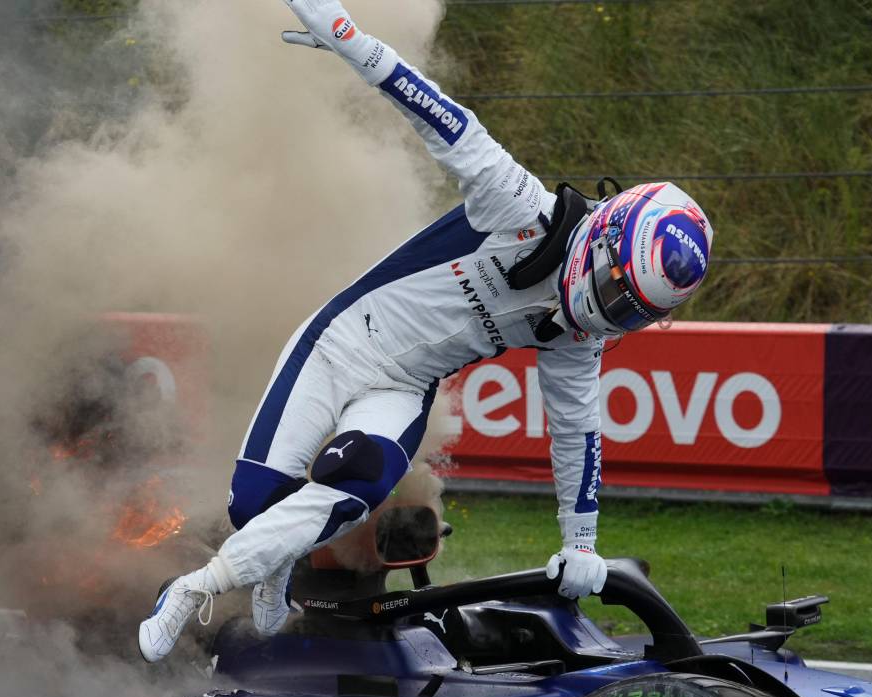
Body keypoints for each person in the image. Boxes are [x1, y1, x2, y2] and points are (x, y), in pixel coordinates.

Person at [138, 0, 716, 662]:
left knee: (350, 493)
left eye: (634, 312)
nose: (612, 313)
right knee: (254, 502)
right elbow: (436, 112)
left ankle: (194, 589)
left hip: (405, 387)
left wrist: (581, 545)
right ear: (606, 235)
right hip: (341, 341)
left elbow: (579, 437)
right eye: (618, 290)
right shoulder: (519, 206)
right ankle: (257, 568)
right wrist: (350, 37)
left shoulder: (577, 339)